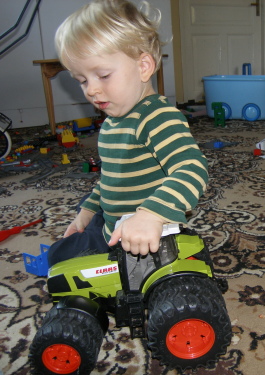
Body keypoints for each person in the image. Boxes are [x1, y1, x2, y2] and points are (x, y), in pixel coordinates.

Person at [48, 0, 208, 266]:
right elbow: (114, 180)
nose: (91, 90)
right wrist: (89, 209)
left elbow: (193, 168)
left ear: (143, 66)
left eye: (103, 75)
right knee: (83, 213)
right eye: (83, 80)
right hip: (115, 217)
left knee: (59, 258)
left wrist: (152, 215)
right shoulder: (113, 121)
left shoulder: (158, 117)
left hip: (143, 231)